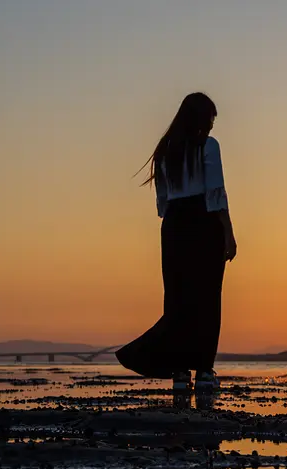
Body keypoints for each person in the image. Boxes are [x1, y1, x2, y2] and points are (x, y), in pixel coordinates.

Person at [117, 92, 237, 393]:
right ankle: (205, 371)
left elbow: (162, 202)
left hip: (174, 224)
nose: (212, 125)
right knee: (208, 297)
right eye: (210, 118)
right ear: (201, 118)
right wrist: (228, 232)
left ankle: (181, 371)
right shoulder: (209, 146)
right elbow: (216, 193)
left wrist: (174, 219)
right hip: (203, 220)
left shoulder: (165, 150)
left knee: (178, 297)